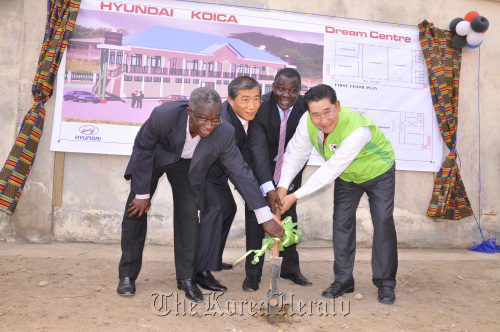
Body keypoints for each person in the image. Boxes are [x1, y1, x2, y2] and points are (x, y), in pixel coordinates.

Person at [117, 87, 283, 303]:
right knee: (135, 211)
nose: (208, 126)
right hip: (154, 157)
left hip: (185, 166)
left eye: (214, 119)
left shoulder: (223, 132)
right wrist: (142, 193)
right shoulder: (164, 115)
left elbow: (241, 173)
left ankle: (186, 279)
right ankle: (127, 275)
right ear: (189, 112)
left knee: (189, 217)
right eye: (203, 119)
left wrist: (265, 217)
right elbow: (143, 147)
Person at [277, 84, 398, 304]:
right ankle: (344, 280)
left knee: (382, 222)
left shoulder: (357, 129)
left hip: (378, 172)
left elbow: (331, 170)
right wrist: (282, 188)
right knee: (341, 223)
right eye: (316, 115)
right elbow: (295, 153)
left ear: (338, 106)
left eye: (327, 112)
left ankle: (386, 283)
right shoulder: (307, 121)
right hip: (348, 177)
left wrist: (294, 196)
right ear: (309, 113)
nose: (323, 120)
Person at [244, 68, 312, 292]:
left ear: (299, 91)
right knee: (258, 216)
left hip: (290, 167)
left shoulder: (305, 108)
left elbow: (302, 147)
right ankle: (252, 274)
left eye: (293, 91)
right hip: (261, 166)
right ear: (273, 87)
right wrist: (268, 187)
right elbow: (257, 149)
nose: (286, 95)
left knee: (289, 216)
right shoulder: (261, 107)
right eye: (281, 89)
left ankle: (290, 269)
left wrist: (285, 185)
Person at [195, 76, 262, 292]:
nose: (252, 106)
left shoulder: (238, 116)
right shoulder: (221, 121)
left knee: (227, 208)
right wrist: (257, 202)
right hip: (200, 172)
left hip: (216, 172)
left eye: (256, 99)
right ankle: (201, 269)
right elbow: (236, 167)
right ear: (231, 101)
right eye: (245, 100)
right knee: (216, 208)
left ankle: (210, 258)